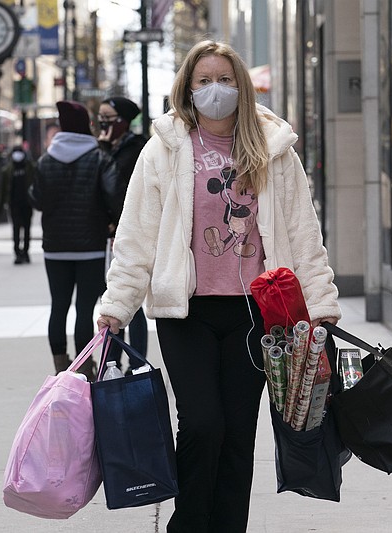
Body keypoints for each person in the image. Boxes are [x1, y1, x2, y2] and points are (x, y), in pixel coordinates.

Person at [97, 40, 341, 532]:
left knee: (237, 435)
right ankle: (188, 524)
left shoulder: (273, 149)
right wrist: (117, 304)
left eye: (225, 80)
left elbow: (301, 230)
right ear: (188, 87)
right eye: (204, 80)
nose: (216, 90)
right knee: (202, 425)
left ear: (241, 87)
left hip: (255, 315)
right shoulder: (164, 149)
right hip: (185, 311)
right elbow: (136, 235)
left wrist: (320, 302)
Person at [30, 100, 122, 376]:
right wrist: (109, 221)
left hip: (55, 247)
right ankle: (84, 366)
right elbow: (113, 195)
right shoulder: (98, 157)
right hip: (90, 247)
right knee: (84, 309)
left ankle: (60, 364)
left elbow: (36, 198)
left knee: (58, 306)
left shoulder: (46, 161)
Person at [98, 95, 150, 369]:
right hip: (109, 232)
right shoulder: (107, 148)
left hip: (129, 231)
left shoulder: (137, 149)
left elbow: (120, 191)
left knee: (133, 301)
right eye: (101, 116)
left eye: (108, 117)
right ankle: (111, 362)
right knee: (112, 299)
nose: (102, 122)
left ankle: (137, 361)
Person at [1, 145, 36, 264]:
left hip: (27, 203)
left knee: (26, 229)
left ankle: (25, 251)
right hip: (14, 204)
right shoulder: (8, 169)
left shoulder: (30, 167)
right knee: (16, 229)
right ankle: (17, 252)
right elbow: (4, 188)